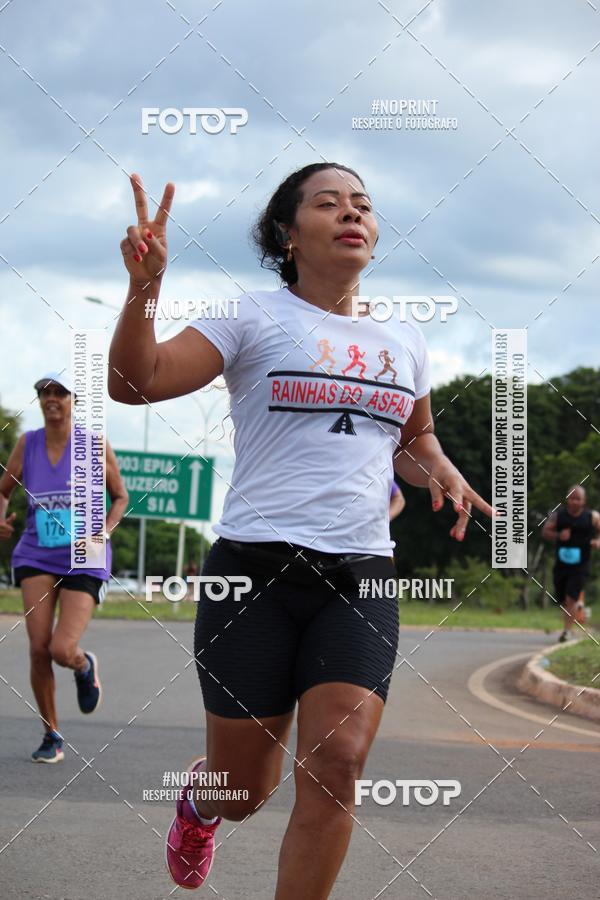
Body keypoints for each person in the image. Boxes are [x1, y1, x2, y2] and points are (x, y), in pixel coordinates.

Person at [109, 163, 493, 898]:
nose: (352, 214)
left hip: (359, 577)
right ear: (288, 233)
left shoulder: (403, 339)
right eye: (328, 203)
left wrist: (439, 467)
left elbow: (412, 444)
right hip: (252, 576)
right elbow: (137, 383)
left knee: (338, 761)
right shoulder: (251, 316)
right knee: (243, 792)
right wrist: (144, 287)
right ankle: (201, 802)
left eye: (364, 206)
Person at [0, 372, 128, 762]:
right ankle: (51, 735)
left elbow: (120, 497)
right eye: (44, 392)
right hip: (36, 552)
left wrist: (104, 532)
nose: (51, 398)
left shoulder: (93, 445)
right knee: (38, 649)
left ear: (74, 400)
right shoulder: (28, 443)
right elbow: (3, 490)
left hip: (84, 557)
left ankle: (82, 664)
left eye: (60, 392)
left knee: (60, 648)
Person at [542, 485, 600, 642]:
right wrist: (559, 535)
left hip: (581, 564)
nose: (575, 501)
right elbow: (546, 531)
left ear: (584, 501)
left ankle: (566, 632)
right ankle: (576, 607)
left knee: (571, 597)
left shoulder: (592, 517)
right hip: (562, 564)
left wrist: (597, 541)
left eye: (578, 499)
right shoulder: (558, 516)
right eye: (572, 498)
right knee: (563, 598)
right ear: (567, 500)